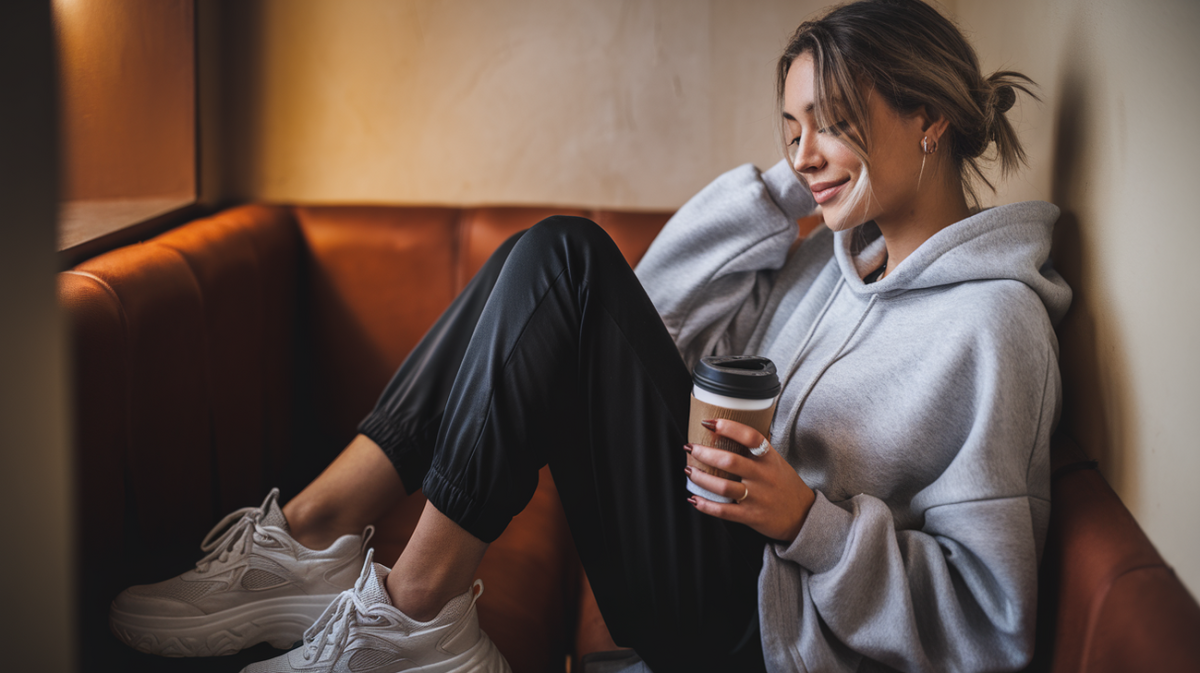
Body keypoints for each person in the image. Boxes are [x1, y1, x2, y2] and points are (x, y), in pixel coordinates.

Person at [108, 0, 1071, 671]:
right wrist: (795, 189)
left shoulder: (995, 326)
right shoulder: (830, 259)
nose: (805, 152)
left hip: (769, 640)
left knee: (565, 256)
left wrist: (807, 524)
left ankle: (405, 611)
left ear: (930, 117)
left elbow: (992, 624)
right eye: (790, 129)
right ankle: (313, 538)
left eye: (834, 123)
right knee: (553, 260)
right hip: (714, 557)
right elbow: (648, 309)